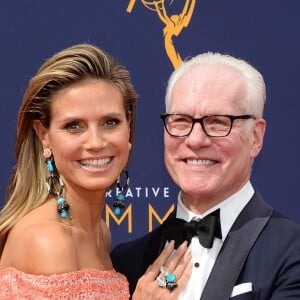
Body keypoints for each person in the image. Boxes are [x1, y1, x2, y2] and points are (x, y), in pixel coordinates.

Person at [0, 43, 192, 299]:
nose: (96, 142)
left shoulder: (101, 232)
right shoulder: (47, 241)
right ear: (44, 135)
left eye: (110, 122)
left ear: (128, 129)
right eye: (73, 126)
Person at [111, 52, 300, 299]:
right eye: (181, 120)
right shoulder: (126, 262)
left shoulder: (292, 251)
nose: (196, 140)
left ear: (255, 137)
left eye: (218, 122)